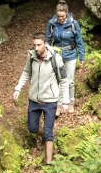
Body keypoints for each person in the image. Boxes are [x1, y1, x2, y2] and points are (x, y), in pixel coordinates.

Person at [13, 32, 69, 165]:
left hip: (50, 101)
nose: (36, 48)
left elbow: (64, 80)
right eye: (34, 45)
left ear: (45, 44)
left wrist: (65, 101)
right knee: (32, 128)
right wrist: (18, 87)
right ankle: (45, 137)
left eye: (39, 45)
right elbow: (26, 72)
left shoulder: (56, 58)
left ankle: (49, 162)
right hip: (34, 100)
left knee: (49, 133)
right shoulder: (31, 56)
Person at [46, 0, 85, 114]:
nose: (61, 19)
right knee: (58, 80)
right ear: (56, 14)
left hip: (71, 55)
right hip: (57, 55)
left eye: (63, 17)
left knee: (69, 80)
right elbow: (47, 41)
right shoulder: (52, 23)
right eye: (58, 16)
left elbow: (79, 40)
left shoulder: (73, 23)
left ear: (66, 14)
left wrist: (81, 56)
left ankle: (70, 102)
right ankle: (58, 104)